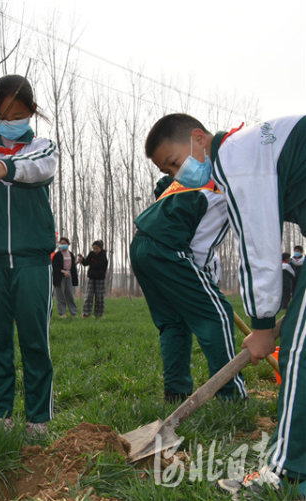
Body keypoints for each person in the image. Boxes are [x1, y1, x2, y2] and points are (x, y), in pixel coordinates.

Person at [144, 113, 306, 498]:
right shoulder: (253, 147)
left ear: (199, 139)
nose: (178, 175)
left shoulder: (236, 158)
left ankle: (289, 472)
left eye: (173, 162)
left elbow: (259, 243)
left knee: (298, 351)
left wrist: (263, 324)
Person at [0, 74, 58, 436]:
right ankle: (0, 417)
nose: (12, 119)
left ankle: (38, 421)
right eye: (4, 113)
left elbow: (40, 168)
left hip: (32, 261)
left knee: (35, 341)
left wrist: (5, 168)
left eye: (19, 113)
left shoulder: (42, 145)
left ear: (32, 112)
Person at [130, 175, 246, 403]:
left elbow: (163, 184)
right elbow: (201, 246)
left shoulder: (197, 174)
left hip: (142, 244)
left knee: (174, 321)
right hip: (170, 247)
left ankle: (176, 392)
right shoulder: (232, 184)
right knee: (217, 314)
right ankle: (231, 394)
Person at [77, 240, 108, 318]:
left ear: (100, 248)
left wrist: (91, 263)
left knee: (99, 297)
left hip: (100, 279)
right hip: (91, 278)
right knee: (89, 296)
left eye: (97, 248)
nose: (95, 250)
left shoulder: (103, 256)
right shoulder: (91, 254)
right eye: (94, 248)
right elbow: (86, 263)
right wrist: (82, 259)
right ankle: (86, 313)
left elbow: (98, 265)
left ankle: (98, 314)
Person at [52, 237, 78, 318]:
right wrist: (63, 272)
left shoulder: (70, 254)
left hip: (69, 275)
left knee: (70, 294)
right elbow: (55, 267)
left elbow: (72, 266)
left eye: (65, 243)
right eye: (62, 243)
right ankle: (62, 313)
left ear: (68, 244)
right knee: (60, 295)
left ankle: (73, 312)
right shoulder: (57, 255)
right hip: (60, 276)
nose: (63, 245)